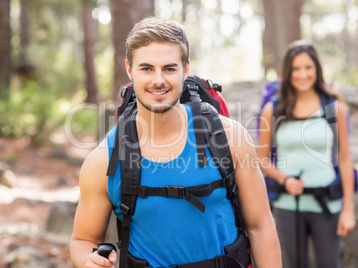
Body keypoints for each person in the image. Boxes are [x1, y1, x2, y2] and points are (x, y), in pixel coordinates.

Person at [70, 17, 281, 268]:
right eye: (146, 68)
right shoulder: (103, 160)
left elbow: (260, 226)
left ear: (185, 69)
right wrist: (88, 260)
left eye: (169, 68)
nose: (158, 80)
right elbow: (83, 240)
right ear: (129, 69)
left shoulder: (230, 137)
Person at [257, 40, 355, 268]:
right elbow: (260, 158)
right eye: (296, 68)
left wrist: (348, 209)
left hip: (327, 205)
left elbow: (345, 159)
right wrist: (285, 179)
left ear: (317, 70)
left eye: (308, 67)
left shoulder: (334, 108)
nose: (302, 74)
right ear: (287, 72)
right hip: (287, 206)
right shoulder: (273, 109)